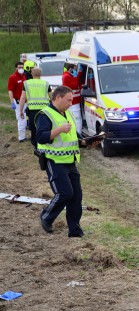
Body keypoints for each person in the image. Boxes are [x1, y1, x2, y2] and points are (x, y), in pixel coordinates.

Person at [35, 85, 84, 238]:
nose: (71, 103)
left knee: (76, 196)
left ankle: (75, 231)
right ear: (57, 97)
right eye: (68, 100)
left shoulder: (66, 113)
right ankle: (46, 217)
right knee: (65, 193)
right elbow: (41, 137)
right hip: (54, 161)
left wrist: (86, 142)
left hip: (70, 160)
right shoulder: (45, 114)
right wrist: (59, 130)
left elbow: (73, 137)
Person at [19, 67, 51, 149]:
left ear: (32, 74)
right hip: (45, 110)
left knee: (33, 129)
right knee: (44, 127)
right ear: (40, 74)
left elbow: (22, 98)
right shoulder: (46, 83)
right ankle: (44, 144)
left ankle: (35, 145)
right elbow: (52, 97)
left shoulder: (26, 83)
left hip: (32, 111)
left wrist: (20, 111)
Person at [7, 61, 27, 142]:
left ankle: (23, 135)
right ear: (16, 68)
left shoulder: (24, 76)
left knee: (24, 119)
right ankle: (21, 138)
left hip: (25, 101)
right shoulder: (12, 77)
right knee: (21, 119)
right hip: (18, 101)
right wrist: (12, 102)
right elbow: (10, 91)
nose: (21, 69)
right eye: (19, 67)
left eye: (22, 67)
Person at [61, 61, 82, 135]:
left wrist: (78, 74)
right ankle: (78, 134)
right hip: (73, 101)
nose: (76, 70)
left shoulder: (67, 75)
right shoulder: (67, 76)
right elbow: (75, 84)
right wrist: (77, 76)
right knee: (77, 118)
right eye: (75, 69)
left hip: (73, 101)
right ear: (71, 69)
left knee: (74, 118)